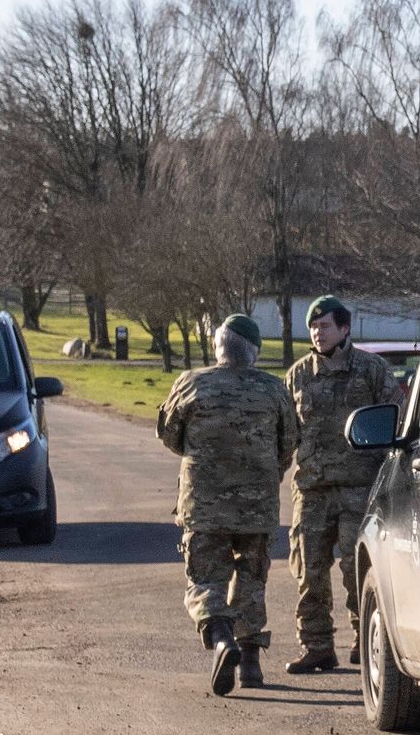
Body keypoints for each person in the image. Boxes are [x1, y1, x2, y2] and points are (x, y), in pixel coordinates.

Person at [157, 312, 294, 695]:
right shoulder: (273, 390)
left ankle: (222, 640)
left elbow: (170, 436)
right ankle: (251, 666)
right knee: (252, 580)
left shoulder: (190, 384)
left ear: (218, 347)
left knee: (206, 579)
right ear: (254, 352)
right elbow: (289, 443)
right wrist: (265, 471)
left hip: (204, 505)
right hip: (258, 505)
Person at [278, 295, 405, 674]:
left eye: (326, 326)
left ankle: (363, 640)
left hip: (359, 489)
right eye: (314, 327)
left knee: (358, 571)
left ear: (345, 328)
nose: (319, 333)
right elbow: (286, 432)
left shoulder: (371, 369)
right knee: (308, 572)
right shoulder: (298, 375)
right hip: (312, 491)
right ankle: (316, 645)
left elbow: (396, 417)